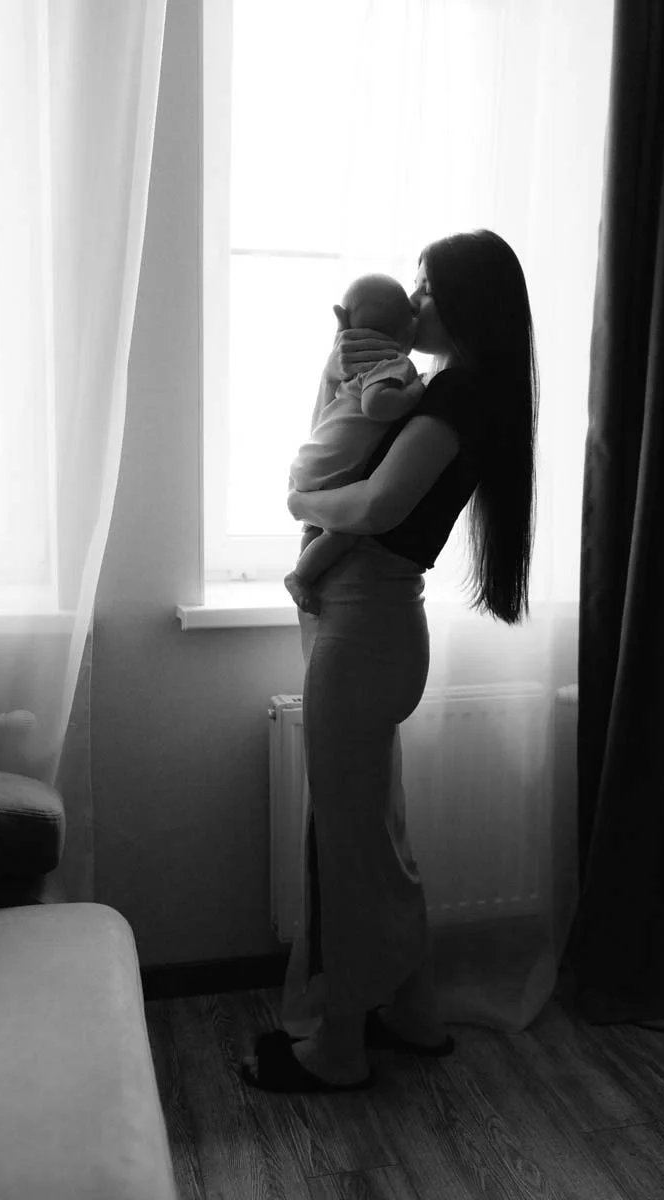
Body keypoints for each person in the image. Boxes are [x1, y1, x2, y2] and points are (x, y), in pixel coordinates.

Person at [240, 229, 540, 1093]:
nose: (416, 306)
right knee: (381, 834)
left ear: (469, 301)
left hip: (365, 635)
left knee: (351, 848)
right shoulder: (458, 394)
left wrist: (298, 496)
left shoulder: (453, 403)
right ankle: (415, 1012)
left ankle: (338, 1047)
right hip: (381, 628)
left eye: (429, 290)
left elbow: (374, 503)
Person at [284, 273, 425, 616]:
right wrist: (415, 391)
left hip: (312, 459)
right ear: (408, 332)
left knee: (314, 527)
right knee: (342, 533)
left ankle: (306, 570)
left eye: (427, 287)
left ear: (346, 322)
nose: (418, 296)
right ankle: (301, 575)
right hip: (334, 472)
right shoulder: (395, 363)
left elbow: (330, 417)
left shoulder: (353, 367)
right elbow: (375, 405)